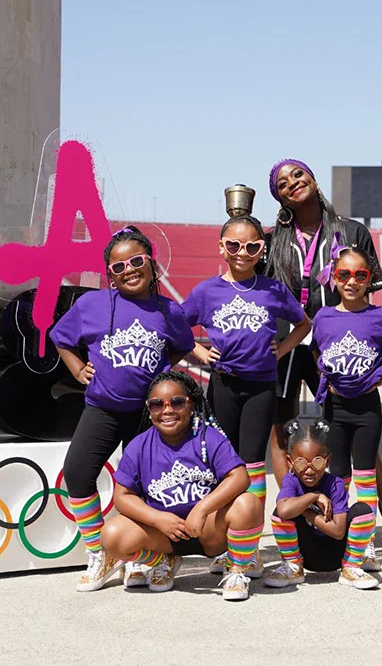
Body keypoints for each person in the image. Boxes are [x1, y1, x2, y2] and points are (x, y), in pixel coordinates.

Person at [261, 158, 382, 553]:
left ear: (312, 177)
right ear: (277, 195)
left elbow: (368, 289)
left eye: (298, 174)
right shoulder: (273, 237)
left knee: (354, 429)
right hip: (292, 341)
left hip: (335, 339)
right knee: (282, 431)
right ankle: (300, 515)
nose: (293, 183)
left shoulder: (352, 231)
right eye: (282, 182)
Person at [50, 226, 196, 593]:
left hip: (149, 416)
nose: (129, 269)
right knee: (78, 473)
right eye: (118, 266)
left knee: (144, 490)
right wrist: (76, 367)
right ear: (110, 275)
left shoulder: (168, 310)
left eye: (136, 261)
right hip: (102, 407)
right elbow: (60, 338)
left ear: (151, 263)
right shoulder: (91, 305)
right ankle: (100, 552)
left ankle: (145, 556)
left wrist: (160, 371)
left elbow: (181, 346)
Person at [184, 214, 311, 576]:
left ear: (261, 249)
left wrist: (281, 350)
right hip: (223, 385)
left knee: (253, 467)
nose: (243, 252)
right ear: (221, 247)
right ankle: (228, 544)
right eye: (235, 245)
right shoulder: (207, 291)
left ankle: (249, 550)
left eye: (252, 246)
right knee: (224, 468)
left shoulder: (272, 289)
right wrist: (197, 350)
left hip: (260, 388)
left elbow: (304, 323)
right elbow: (177, 324)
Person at [100, 371, 264, 601]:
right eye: (157, 404)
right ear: (149, 409)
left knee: (248, 504)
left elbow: (239, 477)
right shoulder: (139, 445)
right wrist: (157, 519)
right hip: (164, 534)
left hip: (209, 530)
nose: (167, 410)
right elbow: (122, 496)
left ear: (191, 405)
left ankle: (237, 569)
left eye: (177, 402)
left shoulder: (208, 437)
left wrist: (202, 509)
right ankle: (164, 562)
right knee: (111, 535)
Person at [310, 245, 382, 576]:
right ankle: (346, 537)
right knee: (339, 478)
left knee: (366, 477)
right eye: (344, 274)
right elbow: (315, 351)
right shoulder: (324, 317)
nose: (351, 281)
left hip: (367, 409)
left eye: (360, 275)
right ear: (333, 279)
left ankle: (364, 542)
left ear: (370, 279)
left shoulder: (381, 317)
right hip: (335, 408)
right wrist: (326, 374)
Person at [263, 419, 380, 590]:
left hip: (336, 553)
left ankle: (351, 568)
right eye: (301, 462)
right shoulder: (291, 481)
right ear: (290, 462)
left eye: (317, 462)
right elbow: (284, 510)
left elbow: (338, 531)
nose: (309, 470)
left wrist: (304, 511)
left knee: (363, 511)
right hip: (307, 554)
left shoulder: (335, 484)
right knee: (279, 513)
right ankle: (293, 567)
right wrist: (313, 496)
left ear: (328, 461)